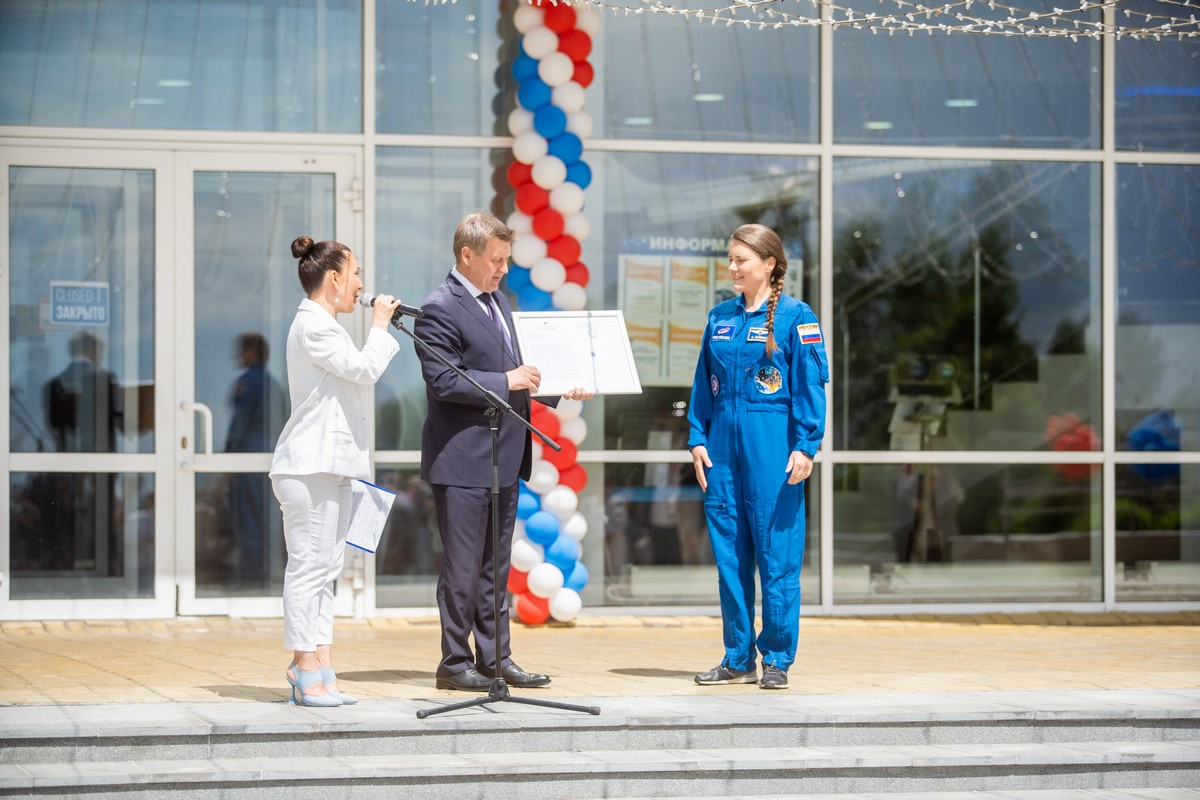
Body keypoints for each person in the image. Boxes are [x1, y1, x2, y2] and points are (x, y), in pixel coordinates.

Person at [413, 211, 592, 692]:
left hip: (502, 457)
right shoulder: (439, 307)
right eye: (496, 260)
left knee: (495, 568)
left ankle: (496, 659)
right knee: (462, 568)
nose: (504, 269)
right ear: (466, 255)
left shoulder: (498, 302)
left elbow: (515, 370)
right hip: (463, 459)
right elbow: (444, 380)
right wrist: (507, 380)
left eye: (507, 259)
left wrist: (559, 387)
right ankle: (454, 663)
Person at [687, 223, 829, 690]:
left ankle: (778, 659)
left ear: (769, 264)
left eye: (741, 260)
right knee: (730, 559)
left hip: (773, 451)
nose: (732, 267)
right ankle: (737, 657)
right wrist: (698, 438)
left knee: (776, 557)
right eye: (729, 259)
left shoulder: (796, 317)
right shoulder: (719, 318)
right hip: (722, 454)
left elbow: (811, 387)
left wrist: (806, 445)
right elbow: (702, 385)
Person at [269, 235, 402, 707]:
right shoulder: (313, 326)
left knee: (327, 570)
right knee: (308, 568)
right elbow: (363, 369)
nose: (361, 284)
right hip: (310, 467)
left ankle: (322, 665)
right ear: (334, 279)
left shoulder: (325, 326)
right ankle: (303, 665)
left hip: (333, 466)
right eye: (355, 273)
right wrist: (380, 324)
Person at [225, 332, 286, 589]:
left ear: (252, 352)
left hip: (248, 459)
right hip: (272, 457)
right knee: (267, 519)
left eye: (241, 350)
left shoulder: (248, 382)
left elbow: (239, 424)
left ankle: (251, 579)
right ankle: (264, 575)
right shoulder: (275, 385)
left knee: (248, 519)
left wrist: (227, 458)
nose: (237, 356)